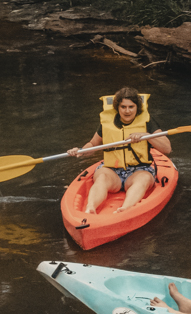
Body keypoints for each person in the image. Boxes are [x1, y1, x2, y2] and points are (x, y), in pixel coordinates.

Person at [66, 87, 172, 218]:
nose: (127, 111)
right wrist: (81, 151)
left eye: (131, 107)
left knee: (142, 180)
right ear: (118, 107)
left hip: (139, 170)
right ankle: (90, 208)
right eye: (123, 107)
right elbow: (93, 145)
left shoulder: (147, 121)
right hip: (112, 170)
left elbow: (167, 148)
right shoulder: (107, 123)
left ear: (137, 107)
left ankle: (125, 209)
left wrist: (146, 135)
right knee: (102, 178)